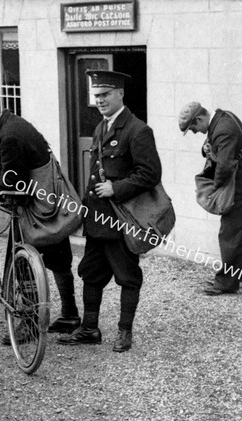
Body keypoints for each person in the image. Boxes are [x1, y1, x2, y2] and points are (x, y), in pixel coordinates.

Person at [0, 95, 81, 340]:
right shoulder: (14, 124)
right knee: (60, 259)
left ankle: (30, 323)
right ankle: (70, 314)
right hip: (51, 205)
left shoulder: (7, 136)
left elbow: (8, 182)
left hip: (33, 210)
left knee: (18, 263)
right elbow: (11, 162)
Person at [58, 70, 162, 353]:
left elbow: (150, 174)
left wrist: (117, 188)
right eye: (96, 96)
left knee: (127, 276)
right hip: (97, 218)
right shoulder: (101, 128)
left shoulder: (138, 130)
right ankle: (90, 329)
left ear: (120, 94)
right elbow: (94, 175)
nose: (100, 101)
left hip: (121, 220)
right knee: (90, 273)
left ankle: (124, 332)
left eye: (105, 95)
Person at [178, 101, 242, 295]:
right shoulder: (223, 118)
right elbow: (212, 144)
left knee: (230, 234)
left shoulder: (224, 130)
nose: (195, 132)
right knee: (237, 232)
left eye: (193, 128)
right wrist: (206, 150)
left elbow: (224, 166)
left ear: (200, 118)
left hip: (241, 187)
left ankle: (226, 282)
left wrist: (214, 189)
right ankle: (233, 277)